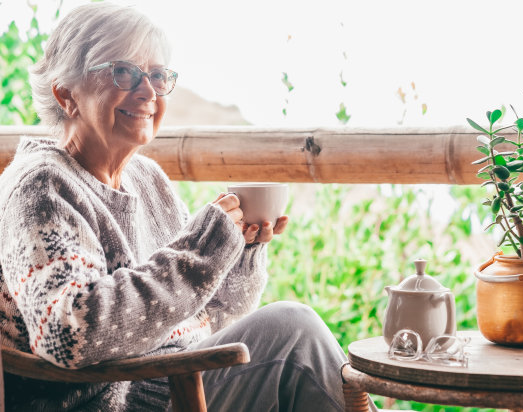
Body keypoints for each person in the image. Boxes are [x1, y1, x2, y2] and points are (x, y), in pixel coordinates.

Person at [0, 3, 355, 411]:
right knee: (295, 331)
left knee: (294, 335)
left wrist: (239, 251)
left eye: (156, 75)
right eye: (124, 72)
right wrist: (202, 251)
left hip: (173, 382)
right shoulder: (42, 186)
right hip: (113, 401)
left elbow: (204, 313)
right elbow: (69, 332)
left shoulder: (149, 181)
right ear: (66, 94)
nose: (148, 91)